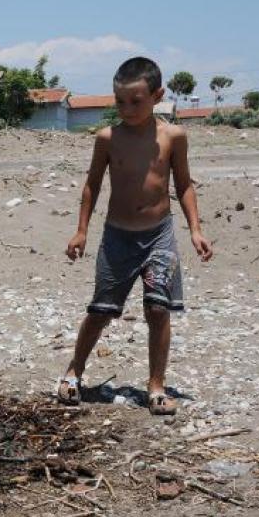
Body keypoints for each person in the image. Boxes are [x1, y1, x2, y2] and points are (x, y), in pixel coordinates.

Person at [58, 57, 213, 415]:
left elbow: (184, 184)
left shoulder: (173, 136)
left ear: (157, 95)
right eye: (120, 101)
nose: (127, 109)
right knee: (100, 311)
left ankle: (156, 385)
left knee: (158, 310)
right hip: (117, 239)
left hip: (159, 236)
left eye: (136, 101)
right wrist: (81, 231)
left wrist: (196, 230)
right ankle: (73, 372)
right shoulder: (108, 138)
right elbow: (92, 185)